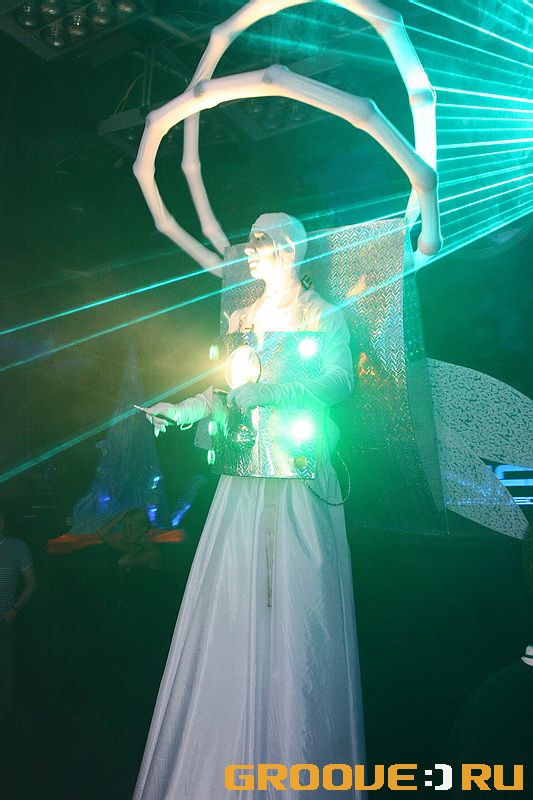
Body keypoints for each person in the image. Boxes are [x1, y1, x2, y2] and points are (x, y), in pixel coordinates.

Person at [134, 213, 366, 800]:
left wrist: (279, 391)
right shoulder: (241, 317)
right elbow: (225, 389)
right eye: (250, 245)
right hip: (243, 479)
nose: (249, 254)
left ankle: (295, 745)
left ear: (287, 248)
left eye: (259, 245)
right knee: (235, 600)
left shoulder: (322, 314)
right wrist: (182, 411)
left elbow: (340, 381)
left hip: (299, 474)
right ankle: (226, 743)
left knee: (299, 602)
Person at [0, 511, 36, 722]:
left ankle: (5, 715)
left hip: (4, 620)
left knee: (5, 670)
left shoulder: (16, 547)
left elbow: (32, 581)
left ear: (2, 522)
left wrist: (15, 608)